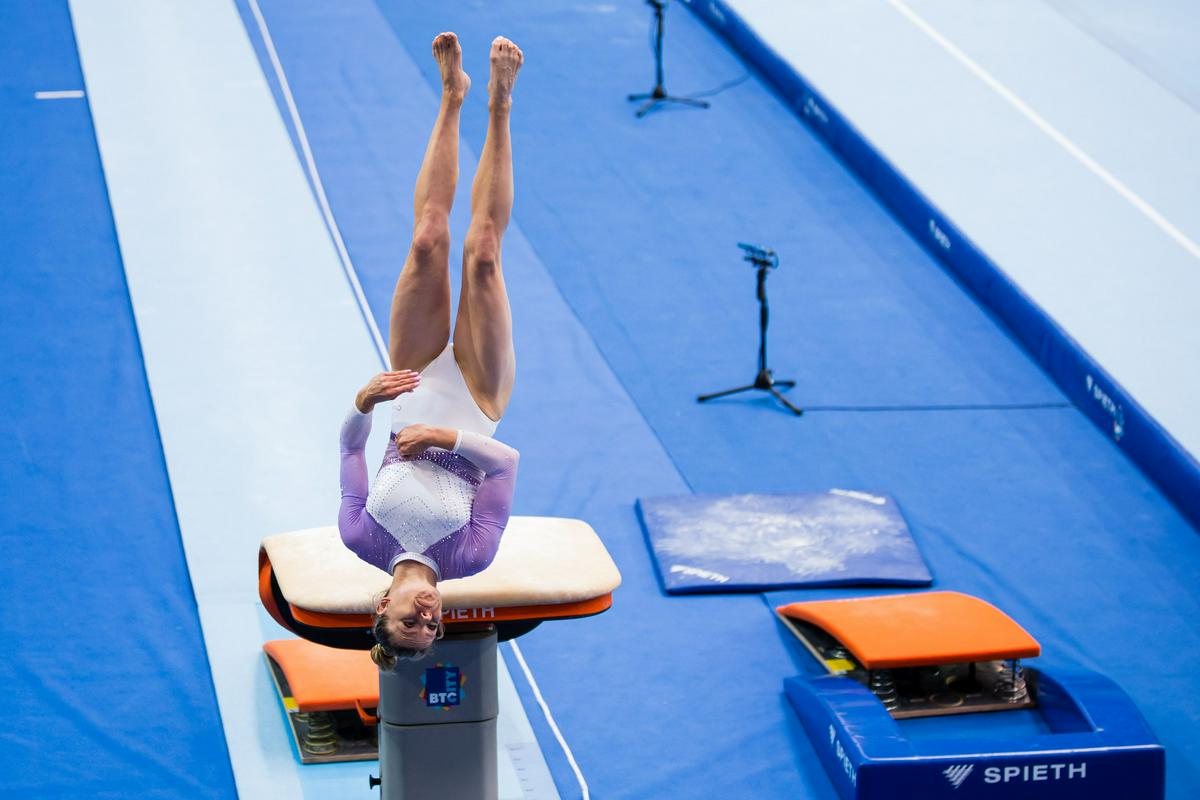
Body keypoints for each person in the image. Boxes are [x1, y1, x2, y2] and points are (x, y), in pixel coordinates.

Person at [338, 32, 523, 669]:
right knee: (484, 257)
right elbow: (504, 465)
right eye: (431, 631)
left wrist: (363, 401)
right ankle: (499, 107)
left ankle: (452, 97)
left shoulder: (359, 536)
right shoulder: (471, 557)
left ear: (379, 610)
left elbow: (348, 446)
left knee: (427, 239)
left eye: (408, 626)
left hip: (408, 386)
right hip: (475, 398)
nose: (427, 620)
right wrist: (448, 436)